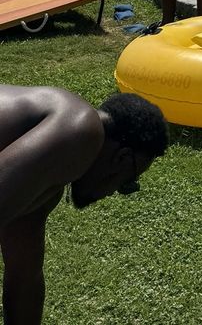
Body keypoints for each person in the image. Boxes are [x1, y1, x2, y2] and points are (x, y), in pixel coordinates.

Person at [0, 83, 168, 325]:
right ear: (122, 159)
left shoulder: (47, 179)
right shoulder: (81, 130)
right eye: (126, 184)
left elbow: (25, 276)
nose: (112, 194)